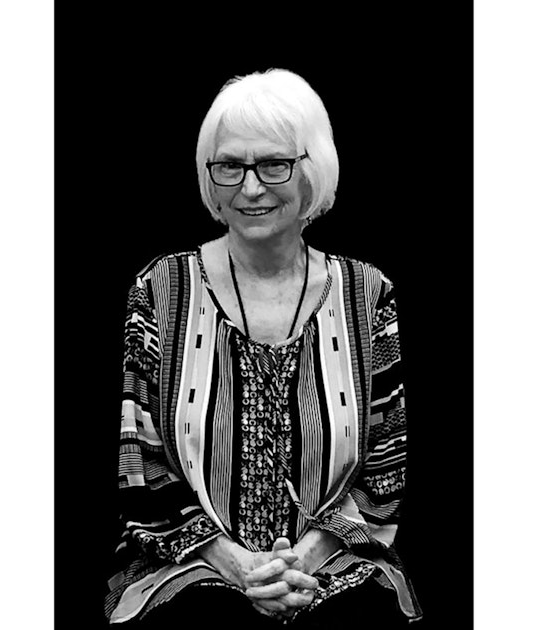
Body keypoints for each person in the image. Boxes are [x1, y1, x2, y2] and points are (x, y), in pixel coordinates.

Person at [104, 68, 421, 627]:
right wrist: (239, 566)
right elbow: (141, 463)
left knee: (358, 619)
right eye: (229, 166)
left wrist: (300, 562)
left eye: (274, 164)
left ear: (313, 171)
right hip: (189, 563)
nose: (250, 188)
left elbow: (386, 464)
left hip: (334, 558)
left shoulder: (368, 293)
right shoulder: (160, 289)